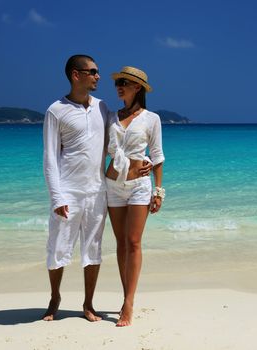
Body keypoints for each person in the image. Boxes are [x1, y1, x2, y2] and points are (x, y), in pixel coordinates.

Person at [42, 54, 108, 322]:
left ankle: (88, 303)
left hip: (97, 191)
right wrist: (56, 196)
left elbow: (119, 139)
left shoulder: (103, 107)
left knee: (93, 249)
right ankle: (55, 296)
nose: (97, 76)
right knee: (58, 248)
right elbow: (49, 157)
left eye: (97, 71)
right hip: (67, 192)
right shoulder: (55, 110)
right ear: (75, 75)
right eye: (92, 71)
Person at [106, 66, 165, 327]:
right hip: (113, 184)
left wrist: (158, 191)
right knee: (120, 243)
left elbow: (158, 155)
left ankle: (128, 302)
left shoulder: (151, 118)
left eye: (125, 82)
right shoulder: (110, 116)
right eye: (118, 82)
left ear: (137, 87)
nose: (119, 86)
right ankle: (125, 294)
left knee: (133, 242)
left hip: (140, 184)